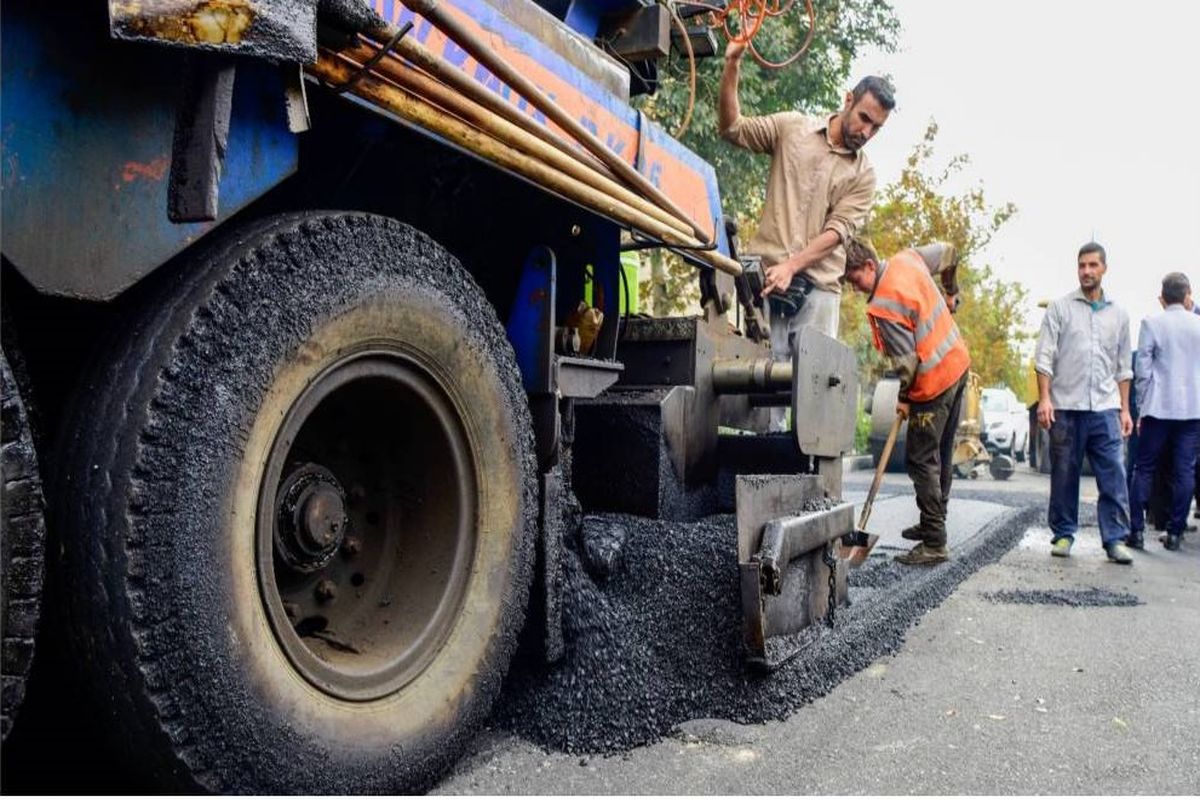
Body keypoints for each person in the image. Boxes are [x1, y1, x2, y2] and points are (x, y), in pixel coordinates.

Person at [718, 42, 893, 416]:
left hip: (818, 292)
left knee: (813, 396)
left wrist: (792, 267)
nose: (866, 131)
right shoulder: (791, 129)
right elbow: (732, 128)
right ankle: (757, 468)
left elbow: (838, 232)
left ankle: (806, 469)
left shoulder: (863, 175)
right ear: (848, 99)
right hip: (766, 280)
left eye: (876, 128)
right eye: (864, 118)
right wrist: (732, 64)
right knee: (759, 390)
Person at [843, 238, 970, 565]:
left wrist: (903, 399)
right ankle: (933, 522)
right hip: (957, 364)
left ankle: (934, 542)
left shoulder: (885, 303)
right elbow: (949, 252)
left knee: (920, 459)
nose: (856, 289)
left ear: (870, 266)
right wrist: (951, 291)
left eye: (856, 280)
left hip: (934, 382)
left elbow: (906, 365)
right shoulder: (908, 259)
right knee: (940, 453)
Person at [1033, 242, 1135, 564]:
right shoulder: (1060, 309)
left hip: (1105, 408)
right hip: (1065, 406)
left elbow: (1123, 367)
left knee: (1114, 473)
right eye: (1082, 266)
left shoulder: (1118, 314)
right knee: (1064, 473)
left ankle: (1115, 539)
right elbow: (1044, 356)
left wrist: (1125, 408)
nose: (1087, 271)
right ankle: (1064, 533)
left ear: (1104, 268)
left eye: (1093, 265)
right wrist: (1045, 399)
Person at [1126, 272, 1200, 551]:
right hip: (1192, 409)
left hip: (1158, 407)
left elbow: (1142, 371)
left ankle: (1136, 531)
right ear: (1187, 294)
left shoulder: (1151, 323)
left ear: (1163, 297)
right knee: (1185, 470)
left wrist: (1141, 408)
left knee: (1144, 468)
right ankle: (1175, 532)